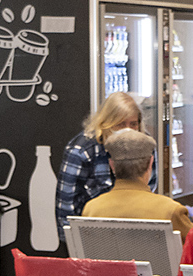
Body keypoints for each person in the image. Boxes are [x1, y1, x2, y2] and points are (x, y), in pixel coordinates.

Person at [56, 91, 155, 239]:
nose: (127, 130)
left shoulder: (144, 144)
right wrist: (72, 244)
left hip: (135, 231)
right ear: (106, 123)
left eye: (133, 124)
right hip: (92, 233)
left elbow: (151, 187)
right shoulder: (82, 150)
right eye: (120, 124)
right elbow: (66, 204)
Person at [80, 129, 193, 241]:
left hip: (111, 269)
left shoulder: (91, 210)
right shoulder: (170, 211)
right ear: (150, 163)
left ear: (112, 165)